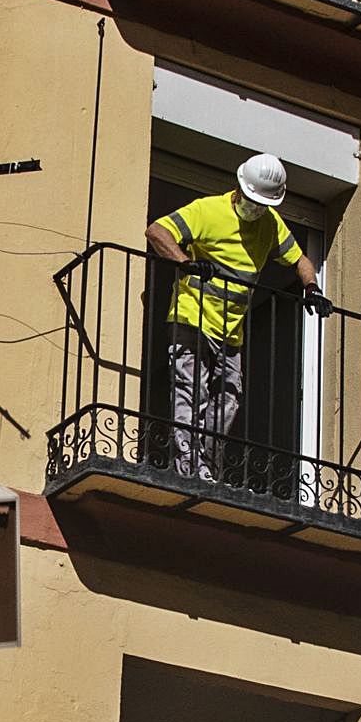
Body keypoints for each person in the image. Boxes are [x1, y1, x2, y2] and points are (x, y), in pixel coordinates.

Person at [144, 153, 333, 482]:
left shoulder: (269, 224)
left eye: (262, 204)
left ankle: (205, 462)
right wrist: (186, 261)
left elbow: (300, 260)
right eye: (251, 200)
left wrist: (312, 288)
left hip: (232, 330)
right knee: (191, 391)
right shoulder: (208, 210)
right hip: (192, 317)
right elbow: (158, 231)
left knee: (230, 398)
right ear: (239, 188)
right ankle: (188, 467)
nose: (255, 208)